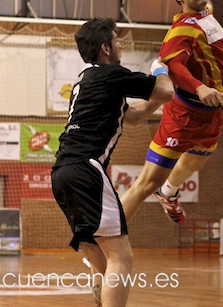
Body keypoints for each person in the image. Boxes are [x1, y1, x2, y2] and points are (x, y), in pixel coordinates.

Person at [51, 18, 174, 307]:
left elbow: (133, 116)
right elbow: (167, 90)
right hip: (87, 169)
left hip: (61, 173)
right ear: (106, 48)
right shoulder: (111, 74)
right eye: (117, 40)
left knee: (101, 262)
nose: (121, 46)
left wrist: (157, 96)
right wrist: (161, 70)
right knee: (122, 258)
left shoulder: (86, 80)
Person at [120, 0, 223, 225]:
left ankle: (168, 192)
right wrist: (199, 87)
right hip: (184, 114)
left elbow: (201, 0)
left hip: (211, 112)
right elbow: (175, 66)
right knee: (145, 184)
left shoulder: (205, 16)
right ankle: (104, 237)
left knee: (196, 162)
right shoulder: (181, 30)